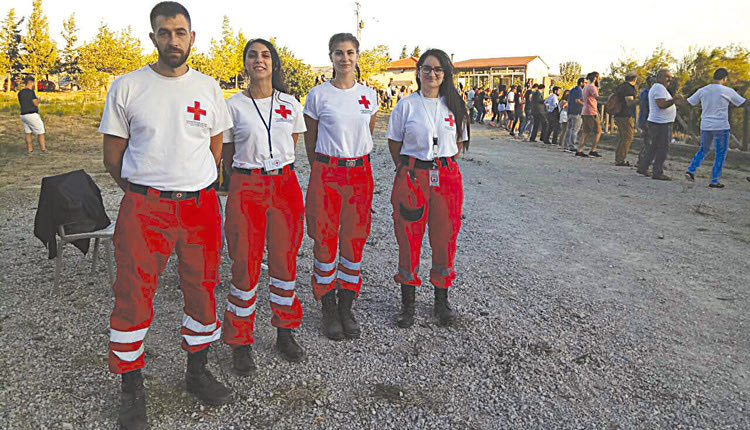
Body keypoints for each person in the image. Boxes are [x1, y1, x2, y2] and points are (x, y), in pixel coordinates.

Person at [99, 2, 233, 428]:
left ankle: (197, 371)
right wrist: (147, 190)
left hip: (200, 207)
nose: (172, 40)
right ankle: (131, 387)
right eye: (164, 32)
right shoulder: (127, 87)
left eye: (180, 32)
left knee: (202, 287)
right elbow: (112, 157)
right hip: (145, 206)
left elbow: (215, 149)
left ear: (192, 37)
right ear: (152, 37)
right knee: (133, 293)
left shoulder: (209, 88)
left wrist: (192, 184)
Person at [221, 39, 307, 376]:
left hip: (284, 185)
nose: (259, 60)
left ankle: (285, 331)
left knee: (285, 261)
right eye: (253, 55)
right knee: (245, 264)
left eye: (266, 55)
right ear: (244, 63)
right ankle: (240, 341)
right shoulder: (231, 106)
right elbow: (226, 155)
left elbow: (293, 145)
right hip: (247, 185)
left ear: (275, 63)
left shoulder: (290, 103)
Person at [386, 49, 469, 328]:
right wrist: (409, 169)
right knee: (409, 238)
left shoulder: (455, 106)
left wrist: (439, 166)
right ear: (418, 71)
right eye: (426, 68)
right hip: (413, 177)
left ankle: (440, 300)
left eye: (438, 69)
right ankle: (407, 303)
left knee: (445, 237)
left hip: (446, 179)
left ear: (445, 74)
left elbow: (457, 146)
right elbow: (394, 144)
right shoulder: (406, 105)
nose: (432, 74)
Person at [303, 33, 378, 341]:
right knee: (324, 237)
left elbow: (367, 133)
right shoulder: (318, 95)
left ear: (357, 55)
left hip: (359, 174)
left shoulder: (368, 95)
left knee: (354, 238)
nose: (344, 58)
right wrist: (323, 168)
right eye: (338, 53)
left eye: (349, 52)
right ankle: (328, 305)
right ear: (331, 57)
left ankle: (347, 303)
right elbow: (311, 139)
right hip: (327, 173)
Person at [685, 68, 748, 188]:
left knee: (703, 149)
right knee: (720, 153)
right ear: (724, 79)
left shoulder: (703, 90)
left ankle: (691, 170)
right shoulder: (727, 91)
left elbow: (690, 102)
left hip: (705, 125)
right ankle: (714, 180)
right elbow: (742, 102)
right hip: (721, 125)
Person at [637, 68, 680, 180]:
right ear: (660, 77)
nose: (669, 80)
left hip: (658, 122)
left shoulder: (658, 88)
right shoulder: (659, 88)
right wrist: (674, 100)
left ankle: (643, 166)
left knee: (654, 147)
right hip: (661, 123)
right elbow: (661, 104)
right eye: (667, 78)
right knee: (663, 148)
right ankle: (657, 171)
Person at [17, 76, 47, 154]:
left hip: (23, 115)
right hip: (32, 114)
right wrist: (38, 100)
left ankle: (30, 149)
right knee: (40, 132)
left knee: (28, 132)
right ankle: (43, 149)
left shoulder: (20, 93)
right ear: (31, 82)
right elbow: (35, 103)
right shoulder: (31, 92)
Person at [614, 72, 638, 166]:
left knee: (623, 137)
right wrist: (641, 101)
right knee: (628, 137)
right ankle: (620, 159)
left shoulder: (620, 86)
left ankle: (618, 157)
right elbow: (629, 102)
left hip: (618, 114)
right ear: (634, 79)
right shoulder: (629, 88)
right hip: (625, 115)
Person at [578, 72, 601, 157]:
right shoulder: (592, 87)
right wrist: (609, 98)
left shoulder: (586, 87)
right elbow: (596, 97)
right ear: (595, 78)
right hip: (591, 112)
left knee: (588, 131)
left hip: (586, 111)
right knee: (595, 131)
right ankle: (591, 149)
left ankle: (582, 149)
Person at [564, 77, 586, 152]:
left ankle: (566, 144)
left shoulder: (572, 90)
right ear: (581, 83)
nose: (586, 84)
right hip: (577, 112)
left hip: (570, 111)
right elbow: (577, 101)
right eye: (585, 83)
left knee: (569, 129)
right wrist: (585, 105)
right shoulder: (579, 91)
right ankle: (572, 145)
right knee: (575, 130)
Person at [636, 76, 653, 167]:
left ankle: (642, 160)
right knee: (649, 142)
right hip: (647, 119)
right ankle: (643, 161)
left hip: (643, 119)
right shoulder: (649, 93)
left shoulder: (643, 92)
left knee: (647, 141)